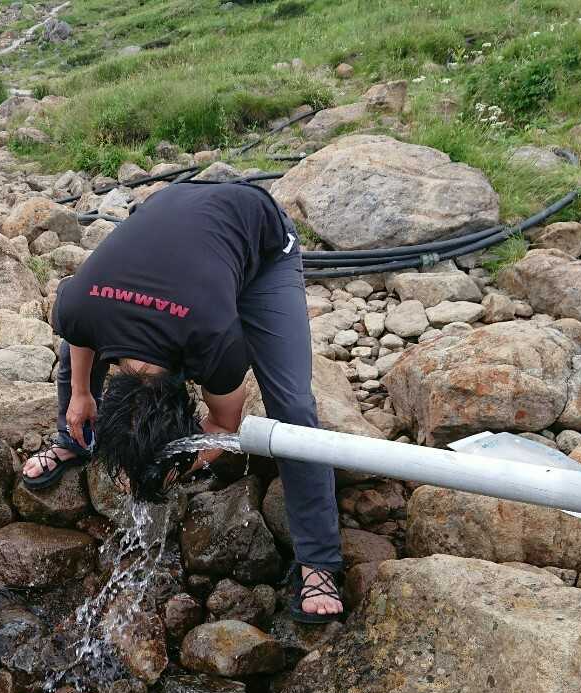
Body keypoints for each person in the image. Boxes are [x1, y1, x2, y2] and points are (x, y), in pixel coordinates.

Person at [21, 181, 344, 624]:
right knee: (75, 370)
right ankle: (73, 441)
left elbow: (224, 424)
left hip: (259, 237)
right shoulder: (79, 303)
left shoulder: (216, 343)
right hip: (171, 215)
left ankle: (319, 561)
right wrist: (81, 396)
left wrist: (173, 467)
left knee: (293, 408)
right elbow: (79, 335)